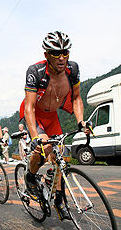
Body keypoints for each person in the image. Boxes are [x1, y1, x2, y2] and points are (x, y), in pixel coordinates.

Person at [20, 31, 88, 220]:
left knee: (61, 157)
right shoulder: (35, 71)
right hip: (35, 116)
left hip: (52, 117)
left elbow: (76, 98)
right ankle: (30, 177)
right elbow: (30, 107)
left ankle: (59, 199)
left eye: (65, 52)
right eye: (55, 53)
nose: (61, 57)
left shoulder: (73, 69)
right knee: (44, 147)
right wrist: (34, 137)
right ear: (46, 55)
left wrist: (81, 121)